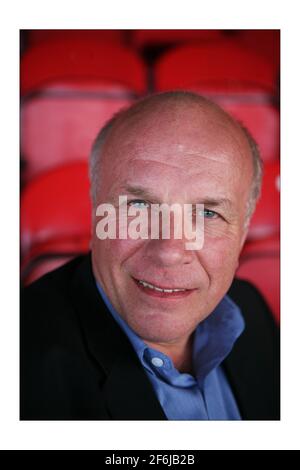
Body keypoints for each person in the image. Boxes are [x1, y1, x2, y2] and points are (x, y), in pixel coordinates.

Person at [20, 91, 279, 420]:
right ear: (95, 209)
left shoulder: (251, 310)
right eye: (138, 206)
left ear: (242, 233)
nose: (170, 251)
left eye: (208, 214)